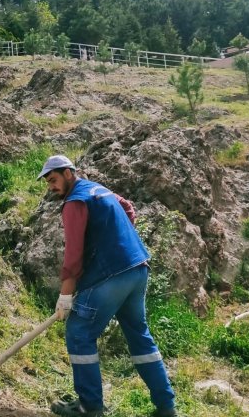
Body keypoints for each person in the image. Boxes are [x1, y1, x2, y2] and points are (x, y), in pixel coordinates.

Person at [38, 155, 177, 417]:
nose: (51, 187)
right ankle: (166, 406)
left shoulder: (75, 202)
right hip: (137, 269)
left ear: (68, 173)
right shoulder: (99, 190)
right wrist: (115, 242)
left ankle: (90, 407)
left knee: (79, 332)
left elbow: (73, 255)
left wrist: (65, 295)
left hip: (111, 275)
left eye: (54, 180)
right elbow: (128, 208)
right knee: (139, 336)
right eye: (48, 182)